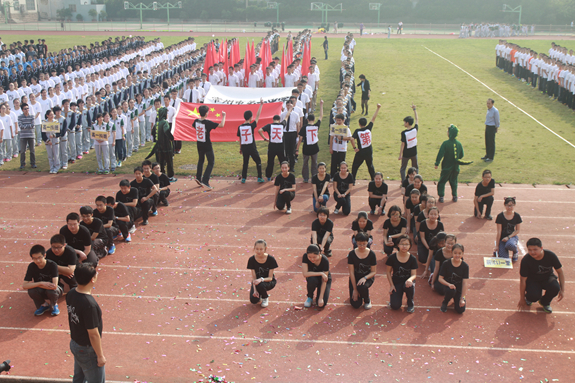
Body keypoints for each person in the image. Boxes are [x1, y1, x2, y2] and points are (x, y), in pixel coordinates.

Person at [66, 262, 106, 383]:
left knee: (79, 378)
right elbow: (93, 334)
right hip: (87, 349)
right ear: (92, 279)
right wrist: (100, 356)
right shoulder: (89, 305)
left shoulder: (71, 293)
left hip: (75, 343)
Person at [518, 238, 565, 314]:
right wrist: (522, 298)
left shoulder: (551, 256)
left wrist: (562, 290)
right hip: (533, 280)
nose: (532, 252)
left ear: (541, 248)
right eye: (530, 250)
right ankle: (530, 298)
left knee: (555, 288)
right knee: (533, 296)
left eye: (535, 249)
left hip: (547, 277)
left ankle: (545, 302)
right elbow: (523, 280)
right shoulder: (526, 260)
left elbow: (560, 272)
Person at [434, 124, 473, 203]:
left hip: (446, 166)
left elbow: (440, 154)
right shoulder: (459, 144)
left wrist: (437, 163)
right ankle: (454, 195)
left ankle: (441, 196)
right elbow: (461, 155)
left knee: (442, 181)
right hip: (456, 167)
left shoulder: (445, 143)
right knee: (454, 181)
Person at [22, 244, 62, 316]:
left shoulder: (52, 265)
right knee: (31, 290)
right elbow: (24, 285)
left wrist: (40, 285)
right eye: (34, 258)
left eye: (39, 257)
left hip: (54, 290)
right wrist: (41, 283)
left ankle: (54, 305)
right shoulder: (31, 266)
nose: (37, 260)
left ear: (45, 255)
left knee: (51, 291)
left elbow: (54, 286)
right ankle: (44, 305)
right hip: (41, 289)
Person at [192, 105, 226, 189]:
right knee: (211, 162)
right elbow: (221, 125)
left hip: (199, 143)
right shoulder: (208, 123)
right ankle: (205, 180)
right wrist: (224, 116)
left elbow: (193, 126)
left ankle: (199, 178)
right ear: (206, 113)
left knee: (201, 160)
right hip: (207, 144)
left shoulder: (196, 121)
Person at [386, 235, 418, 312]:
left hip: (408, 281)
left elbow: (414, 274)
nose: (404, 246)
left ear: (410, 245)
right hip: (397, 282)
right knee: (395, 306)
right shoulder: (392, 258)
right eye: (402, 244)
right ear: (398, 245)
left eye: (407, 244)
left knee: (409, 286)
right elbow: (388, 272)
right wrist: (391, 285)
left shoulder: (413, 259)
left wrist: (410, 280)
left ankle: (410, 303)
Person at [347, 232, 377, 309]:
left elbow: (373, 272)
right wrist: (354, 290)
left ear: (368, 242)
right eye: (359, 244)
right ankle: (357, 292)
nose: (362, 246)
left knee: (362, 286)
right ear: (356, 243)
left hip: (367, 278)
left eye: (364, 244)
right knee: (355, 305)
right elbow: (351, 273)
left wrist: (365, 278)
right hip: (355, 278)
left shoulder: (372, 254)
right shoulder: (352, 254)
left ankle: (367, 300)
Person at [296, 101, 324, 183]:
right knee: (314, 163)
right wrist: (321, 105)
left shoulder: (304, 127)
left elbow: (300, 139)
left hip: (306, 148)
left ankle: (305, 178)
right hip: (315, 147)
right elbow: (321, 116)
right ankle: (314, 177)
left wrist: (297, 149)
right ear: (314, 119)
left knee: (305, 163)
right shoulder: (316, 126)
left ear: (307, 119)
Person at [351, 104, 381, 180]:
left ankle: (353, 180)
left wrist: (355, 148)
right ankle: (373, 180)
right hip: (369, 150)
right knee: (370, 166)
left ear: (359, 124)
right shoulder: (368, 129)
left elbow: (352, 139)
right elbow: (373, 118)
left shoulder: (357, 131)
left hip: (361, 151)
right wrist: (378, 108)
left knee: (355, 166)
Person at [146, 107, 175, 181]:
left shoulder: (157, 123)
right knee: (169, 162)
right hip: (166, 147)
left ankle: (162, 176)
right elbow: (166, 130)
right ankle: (170, 176)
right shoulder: (165, 122)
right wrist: (171, 137)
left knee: (161, 163)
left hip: (159, 148)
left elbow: (153, 133)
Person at [238, 100, 264, 183]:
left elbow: (240, 138)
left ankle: (244, 178)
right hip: (251, 147)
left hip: (244, 147)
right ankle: (259, 177)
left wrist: (241, 148)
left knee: (245, 162)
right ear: (250, 118)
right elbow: (258, 116)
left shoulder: (240, 127)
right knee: (258, 161)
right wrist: (261, 105)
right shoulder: (251, 126)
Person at [438, 243, 469, 313]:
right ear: (452, 253)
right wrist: (448, 284)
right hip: (448, 287)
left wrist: (462, 298)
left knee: (460, 310)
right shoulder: (446, 263)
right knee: (451, 290)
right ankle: (445, 302)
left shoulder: (465, 266)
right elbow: (440, 278)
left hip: (458, 289)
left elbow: (464, 283)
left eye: (459, 253)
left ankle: (457, 298)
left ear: (462, 253)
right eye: (455, 253)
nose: (457, 255)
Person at [247, 239, 278, 308]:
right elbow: (254, 277)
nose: (258, 251)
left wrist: (261, 279)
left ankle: (265, 297)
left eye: (261, 249)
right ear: (254, 248)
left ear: (265, 249)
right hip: (257, 282)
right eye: (257, 249)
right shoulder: (251, 260)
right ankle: (259, 293)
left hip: (269, 281)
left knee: (260, 285)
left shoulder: (271, 259)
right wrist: (255, 290)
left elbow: (270, 278)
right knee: (254, 300)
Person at [259, 112, 287, 181]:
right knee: (282, 161)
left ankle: (268, 177)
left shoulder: (269, 125)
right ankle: (284, 176)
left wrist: (265, 139)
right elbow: (286, 117)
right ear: (279, 120)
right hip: (280, 147)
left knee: (270, 162)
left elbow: (259, 130)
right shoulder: (281, 125)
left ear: (273, 119)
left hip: (272, 147)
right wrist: (290, 109)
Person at [302, 244, 331, 308]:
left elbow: (325, 280)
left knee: (321, 304)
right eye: (309, 257)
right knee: (312, 279)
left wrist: (321, 298)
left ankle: (319, 295)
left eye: (314, 257)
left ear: (319, 254)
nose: (312, 259)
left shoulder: (325, 260)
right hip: (313, 278)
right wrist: (320, 273)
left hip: (324, 280)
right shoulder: (305, 257)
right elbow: (305, 274)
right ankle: (310, 297)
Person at [418, 207, 444, 277]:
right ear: (428, 215)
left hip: (435, 245)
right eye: (431, 214)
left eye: (435, 214)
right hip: (425, 243)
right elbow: (422, 237)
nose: (433, 216)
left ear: (438, 215)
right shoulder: (423, 223)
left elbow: (441, 239)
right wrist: (428, 247)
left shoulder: (440, 224)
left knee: (434, 256)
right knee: (423, 259)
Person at [495, 197, 522, 261]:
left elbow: (517, 230)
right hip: (502, 239)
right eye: (508, 205)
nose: (509, 207)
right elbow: (499, 232)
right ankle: (501, 249)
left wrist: (508, 237)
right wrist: (497, 246)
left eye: (511, 205)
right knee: (504, 259)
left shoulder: (517, 216)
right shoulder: (500, 216)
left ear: (514, 205)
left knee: (510, 244)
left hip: (512, 237)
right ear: (505, 205)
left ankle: (515, 252)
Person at [399, 104, 419, 181]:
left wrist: (400, 155)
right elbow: (417, 119)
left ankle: (404, 182)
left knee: (403, 168)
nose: (404, 123)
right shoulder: (415, 129)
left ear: (407, 123)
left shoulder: (404, 133)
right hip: (414, 152)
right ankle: (416, 180)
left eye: (404, 122)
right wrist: (414, 109)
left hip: (406, 154)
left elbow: (403, 144)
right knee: (415, 168)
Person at [18, 102, 36, 169]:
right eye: (25, 109)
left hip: (31, 135)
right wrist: (28, 126)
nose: (27, 110)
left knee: (32, 150)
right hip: (23, 136)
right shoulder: (20, 117)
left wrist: (25, 126)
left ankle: (33, 163)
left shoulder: (32, 116)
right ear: (22, 110)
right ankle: (22, 164)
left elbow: (33, 125)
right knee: (23, 151)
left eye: (27, 108)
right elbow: (20, 126)